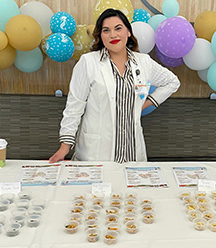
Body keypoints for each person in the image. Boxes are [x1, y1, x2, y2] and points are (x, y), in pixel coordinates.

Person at [49, 8, 180, 163]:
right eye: (106, 30)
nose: (113, 35)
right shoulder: (88, 62)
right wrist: (65, 147)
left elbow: (172, 82)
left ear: (128, 32)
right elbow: (74, 107)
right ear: (101, 36)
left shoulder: (143, 62)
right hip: (97, 152)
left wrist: (141, 105)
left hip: (132, 153)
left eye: (118, 28)